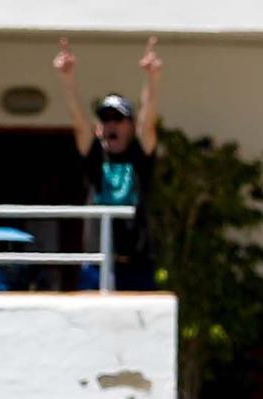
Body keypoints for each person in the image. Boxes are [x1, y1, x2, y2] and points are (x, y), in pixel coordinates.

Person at [53, 36, 162, 292]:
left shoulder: (139, 156)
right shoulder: (94, 157)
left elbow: (148, 122)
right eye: (106, 118)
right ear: (99, 127)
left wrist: (152, 80)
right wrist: (67, 80)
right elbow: (79, 122)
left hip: (136, 264)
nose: (111, 124)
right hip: (97, 263)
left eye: (118, 118)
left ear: (130, 126)